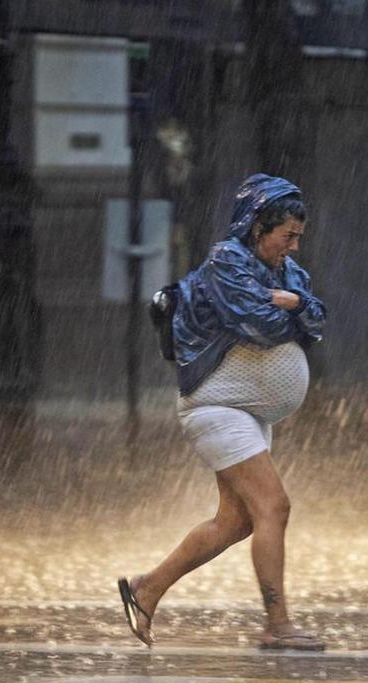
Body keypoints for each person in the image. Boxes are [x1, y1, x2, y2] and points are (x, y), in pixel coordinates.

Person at [118, 173, 327, 651]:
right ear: (258, 228)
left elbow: (316, 317)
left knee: (236, 521)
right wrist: (293, 310)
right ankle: (278, 625)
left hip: (247, 412)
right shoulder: (226, 262)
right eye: (286, 236)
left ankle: (145, 589)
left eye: (299, 237)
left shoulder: (283, 272)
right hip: (217, 406)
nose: (294, 247)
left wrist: (295, 303)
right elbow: (261, 324)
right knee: (274, 506)